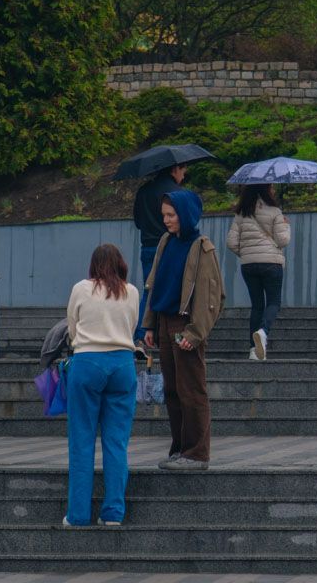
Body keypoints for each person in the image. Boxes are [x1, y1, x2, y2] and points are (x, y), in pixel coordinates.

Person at [142, 190, 224, 471]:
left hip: (185, 325)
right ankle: (180, 449)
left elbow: (211, 298)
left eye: (171, 215)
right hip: (165, 322)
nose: (166, 220)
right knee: (172, 390)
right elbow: (155, 283)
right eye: (164, 214)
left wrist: (194, 333)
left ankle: (197, 453)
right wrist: (150, 324)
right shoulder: (166, 242)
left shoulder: (202, 248)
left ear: (186, 214)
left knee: (191, 389)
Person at [63, 244, 138, 527]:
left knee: (82, 441)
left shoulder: (81, 288)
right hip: (123, 364)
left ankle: (78, 514)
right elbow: (131, 328)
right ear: (120, 264)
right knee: (116, 442)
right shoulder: (131, 291)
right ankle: (113, 513)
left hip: (87, 363)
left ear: (93, 264)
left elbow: (72, 327)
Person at [226, 184, 291, 360]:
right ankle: (263, 331)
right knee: (274, 302)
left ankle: (254, 351)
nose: (274, 190)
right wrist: (285, 225)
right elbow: (283, 240)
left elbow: (231, 243)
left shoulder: (241, 213)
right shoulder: (275, 211)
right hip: (271, 264)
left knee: (257, 306)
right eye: (271, 187)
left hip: (249, 265)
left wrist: (247, 253)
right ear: (265, 190)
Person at [131, 164, 188, 356]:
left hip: (147, 247)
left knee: (149, 291)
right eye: (183, 170)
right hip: (170, 247)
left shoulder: (144, 191)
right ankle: (169, 335)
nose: (184, 174)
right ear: (174, 170)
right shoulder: (178, 193)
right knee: (174, 291)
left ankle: (140, 335)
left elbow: (138, 222)